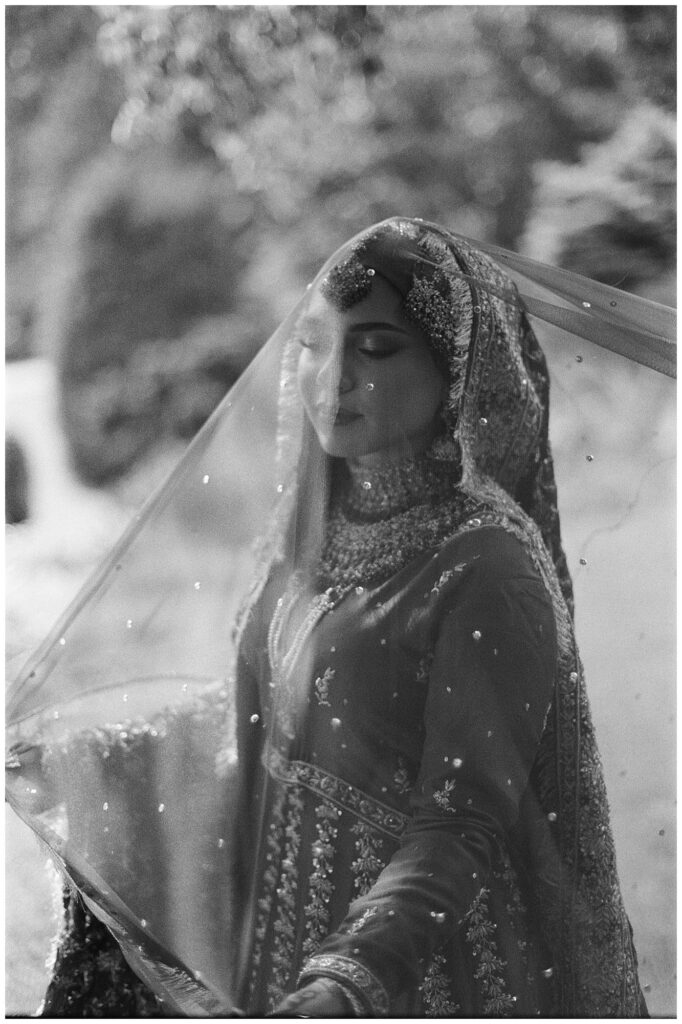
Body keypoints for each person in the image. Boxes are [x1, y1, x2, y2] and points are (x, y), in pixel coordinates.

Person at [7, 218, 650, 1017]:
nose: (331, 377)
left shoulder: (487, 566)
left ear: (457, 367)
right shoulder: (308, 535)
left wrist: (350, 981)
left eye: (375, 349)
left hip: (421, 974)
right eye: (313, 344)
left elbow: (463, 821)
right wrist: (99, 756)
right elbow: (278, 721)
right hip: (283, 950)